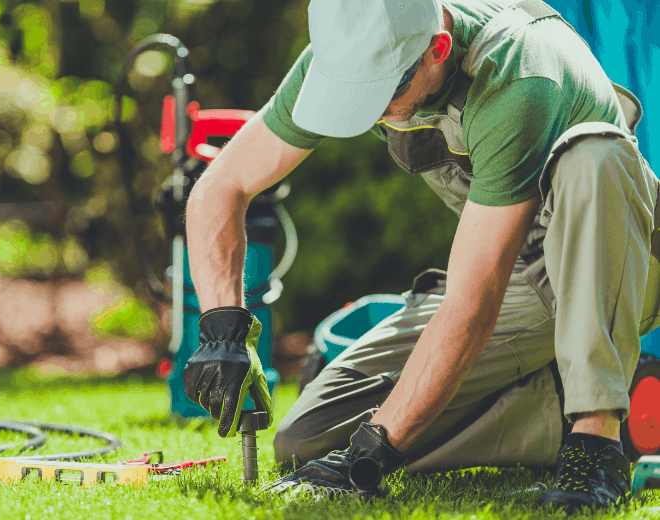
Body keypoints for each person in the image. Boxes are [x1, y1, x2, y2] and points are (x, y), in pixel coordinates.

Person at [181, 0, 660, 512]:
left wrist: (373, 450)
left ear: (438, 50)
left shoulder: (520, 74)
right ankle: (583, 398)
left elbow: (471, 305)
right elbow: (222, 186)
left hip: (610, 265)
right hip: (518, 276)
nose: (371, 111)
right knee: (307, 439)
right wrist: (222, 328)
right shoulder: (351, 49)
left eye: (382, 93)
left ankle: (596, 439)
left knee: (595, 154)